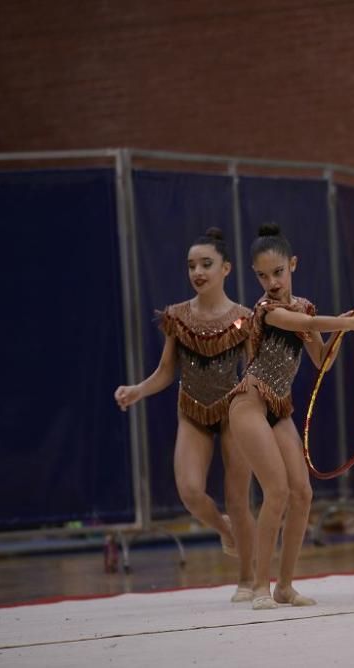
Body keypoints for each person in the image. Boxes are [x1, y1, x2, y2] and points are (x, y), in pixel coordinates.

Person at [228, 223, 354, 610]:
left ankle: (285, 586)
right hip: (249, 402)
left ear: (292, 264)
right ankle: (260, 585)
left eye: (277, 272)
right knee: (276, 489)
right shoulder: (266, 310)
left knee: (302, 493)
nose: (271, 282)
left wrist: (342, 332)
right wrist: (346, 323)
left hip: (279, 408)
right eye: (262, 275)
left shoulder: (305, 306)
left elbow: (321, 362)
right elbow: (307, 325)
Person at [114, 228, 256, 602]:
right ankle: (224, 530)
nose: (198, 271)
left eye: (206, 264)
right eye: (192, 265)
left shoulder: (244, 318)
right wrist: (137, 390)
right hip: (191, 408)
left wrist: (263, 414)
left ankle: (249, 578)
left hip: (233, 411)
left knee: (238, 498)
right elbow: (165, 371)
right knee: (191, 492)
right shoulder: (177, 316)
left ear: (226, 268)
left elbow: (254, 370)